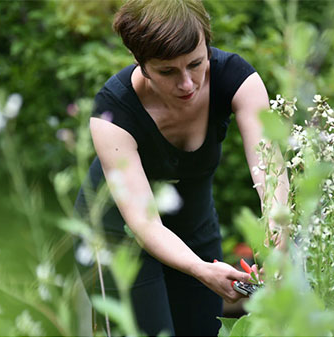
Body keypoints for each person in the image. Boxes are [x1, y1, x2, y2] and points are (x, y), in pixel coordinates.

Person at [74, 0, 289, 335]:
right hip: (118, 238)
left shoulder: (237, 79)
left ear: (207, 45)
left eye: (196, 64)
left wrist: (277, 236)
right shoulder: (112, 113)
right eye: (167, 71)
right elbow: (145, 224)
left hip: (195, 227)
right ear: (140, 63)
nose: (188, 84)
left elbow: (270, 170)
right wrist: (198, 269)